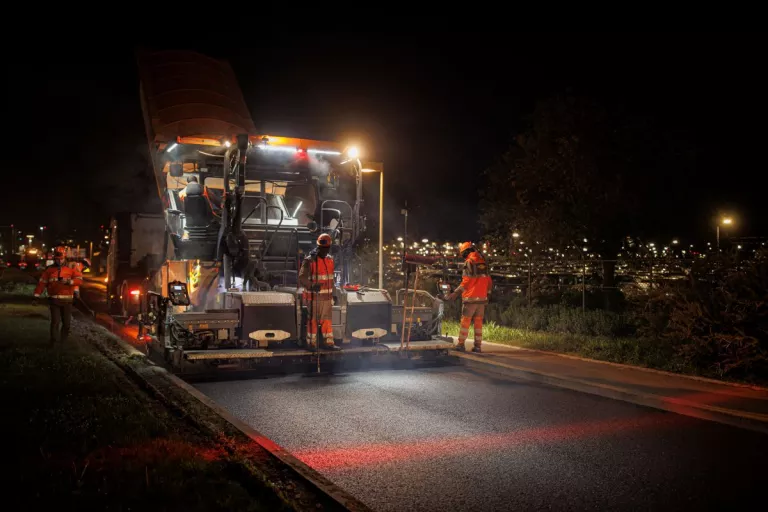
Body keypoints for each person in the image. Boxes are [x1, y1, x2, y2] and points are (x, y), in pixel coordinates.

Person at [446, 242, 492, 353]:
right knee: (478, 323)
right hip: (482, 298)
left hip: (470, 298)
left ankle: (461, 344)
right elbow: (489, 280)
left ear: (466, 252)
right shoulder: (482, 261)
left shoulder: (469, 262)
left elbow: (466, 282)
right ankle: (477, 346)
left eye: (462, 253)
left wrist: (455, 293)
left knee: (465, 322)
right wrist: (488, 294)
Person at [33, 250, 83, 346]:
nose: (59, 261)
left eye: (61, 259)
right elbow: (41, 283)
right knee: (55, 322)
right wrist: (36, 297)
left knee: (67, 324)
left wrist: (70, 282)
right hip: (54, 300)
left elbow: (79, 281)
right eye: (57, 259)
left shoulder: (71, 268)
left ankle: (63, 343)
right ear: (54, 258)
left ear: (64, 258)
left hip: (67, 300)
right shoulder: (49, 270)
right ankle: (54, 342)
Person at [298, 233, 337, 349]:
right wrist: (312, 286)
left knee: (327, 321)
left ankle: (329, 343)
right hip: (314, 297)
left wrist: (333, 295)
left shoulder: (330, 260)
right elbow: (302, 278)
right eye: (323, 248)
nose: (325, 250)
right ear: (318, 247)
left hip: (327, 299)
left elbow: (331, 279)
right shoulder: (309, 261)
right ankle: (311, 344)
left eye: (327, 248)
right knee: (313, 321)